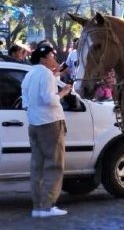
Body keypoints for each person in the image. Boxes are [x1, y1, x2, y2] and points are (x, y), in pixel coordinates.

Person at [22, 45, 72, 217]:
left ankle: (38, 206)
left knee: (37, 166)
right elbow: (50, 99)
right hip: (50, 123)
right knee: (54, 165)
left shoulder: (30, 74)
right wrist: (64, 92)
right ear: (43, 59)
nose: (54, 58)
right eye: (51, 55)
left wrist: (56, 74)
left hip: (34, 123)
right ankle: (47, 206)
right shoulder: (45, 74)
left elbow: (25, 101)